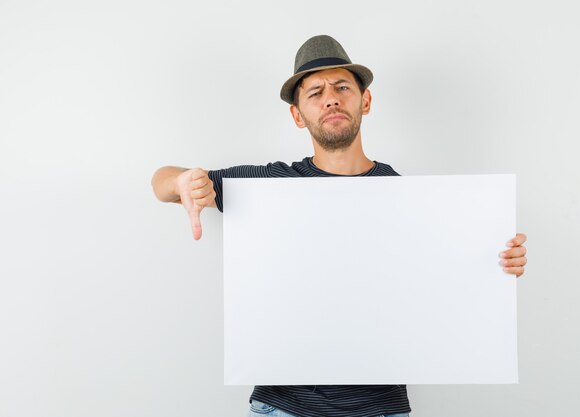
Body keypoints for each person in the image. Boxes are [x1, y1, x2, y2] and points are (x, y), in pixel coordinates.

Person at [151, 34, 528, 417]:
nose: (330, 98)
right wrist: (182, 181)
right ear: (298, 115)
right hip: (284, 407)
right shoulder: (267, 188)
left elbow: (447, 283)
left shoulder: (409, 198)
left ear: (365, 101)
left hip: (379, 408)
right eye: (315, 92)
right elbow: (161, 183)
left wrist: (496, 264)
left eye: (342, 87)